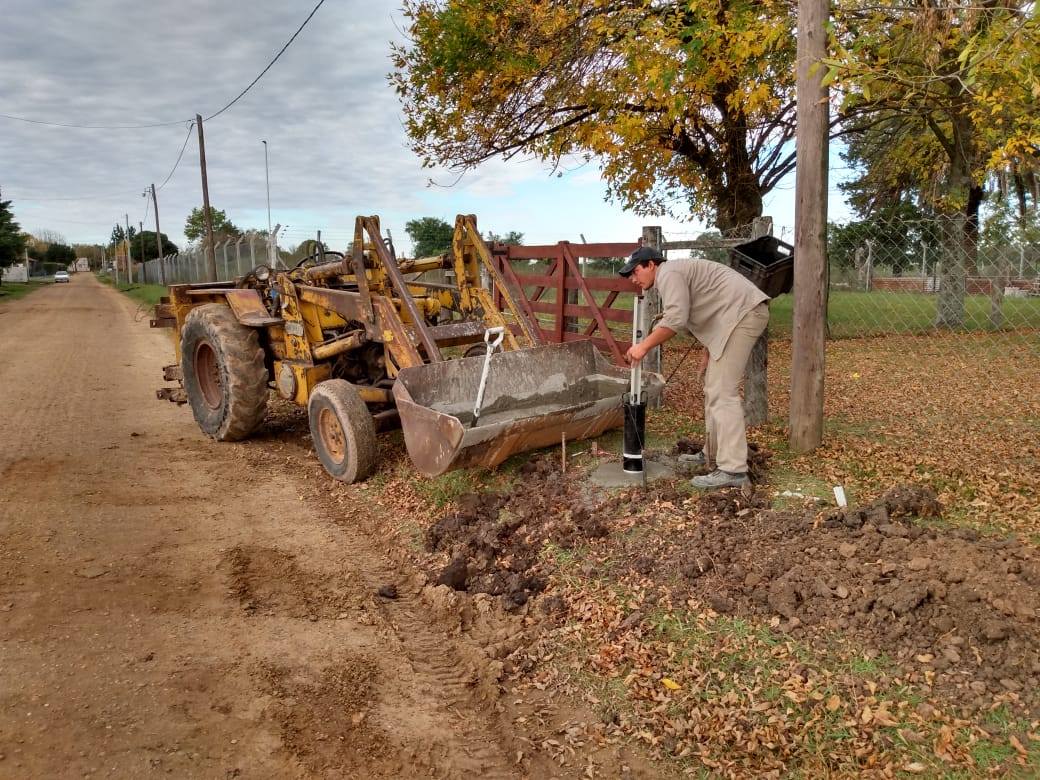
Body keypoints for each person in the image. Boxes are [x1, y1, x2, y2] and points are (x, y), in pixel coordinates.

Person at [619, 246, 769, 489]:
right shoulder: (672, 274)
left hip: (744, 314)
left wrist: (643, 347)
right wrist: (708, 350)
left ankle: (733, 470)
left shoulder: (668, 274)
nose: (634, 279)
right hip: (733, 318)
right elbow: (711, 307)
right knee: (713, 389)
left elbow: (676, 319)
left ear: (651, 265)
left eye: (635, 272)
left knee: (723, 392)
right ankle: (712, 453)